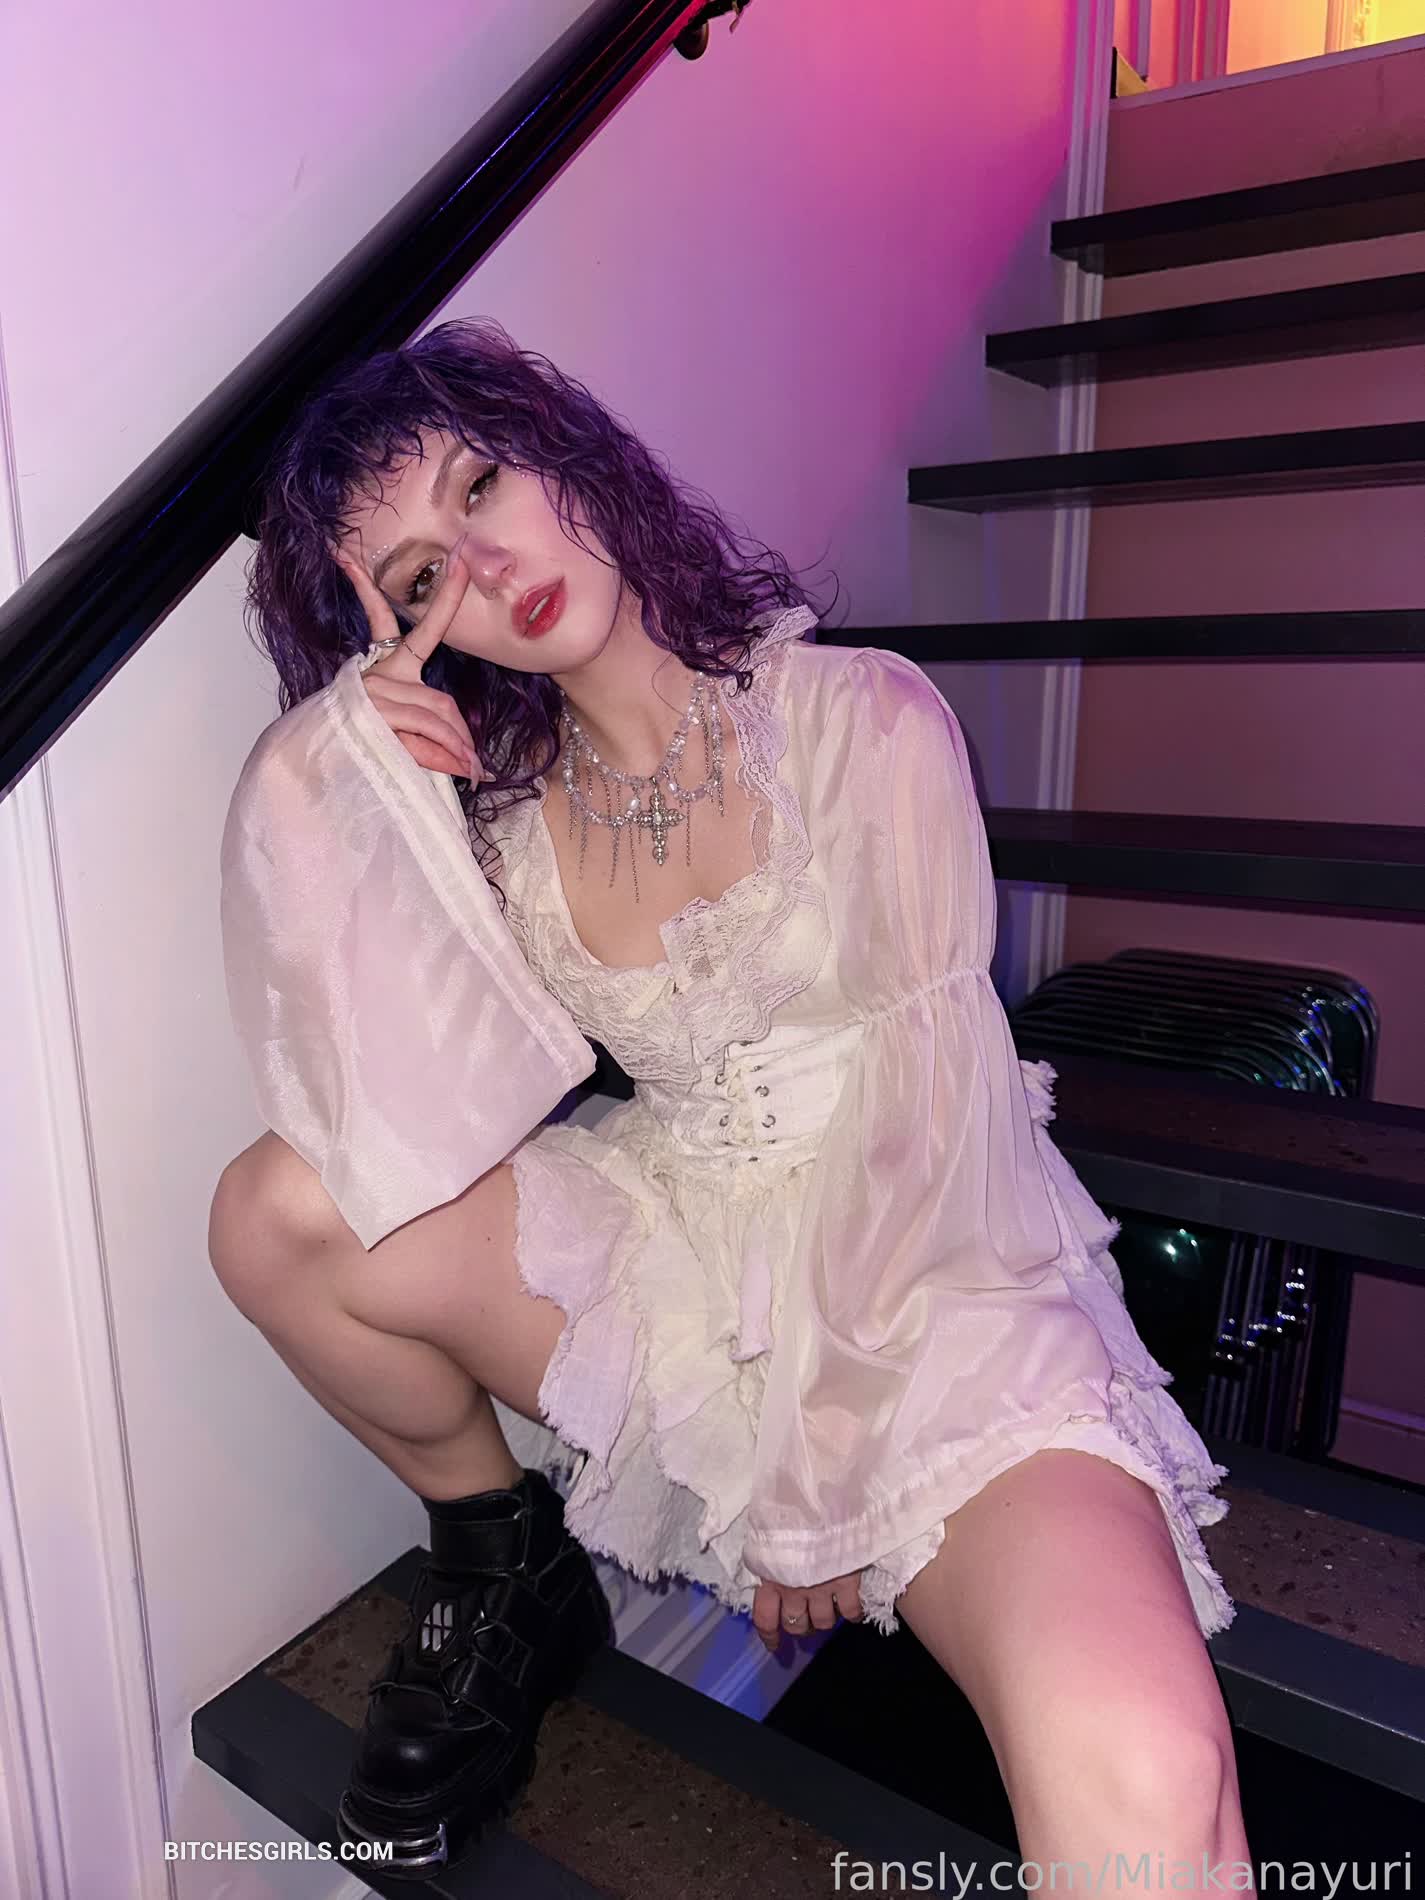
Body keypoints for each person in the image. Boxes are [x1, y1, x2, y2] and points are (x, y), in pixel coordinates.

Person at [210, 317, 1252, 1879]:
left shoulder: (860, 715)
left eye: (479, 486)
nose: (481, 569)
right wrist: (362, 788)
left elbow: (926, 1118)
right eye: (419, 580)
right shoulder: (502, 829)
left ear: (563, 450)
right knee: (272, 1213)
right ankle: (501, 1560)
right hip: (684, 1237)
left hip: (936, 1273)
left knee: (1149, 1764)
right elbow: (380, 1125)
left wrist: (814, 1473)